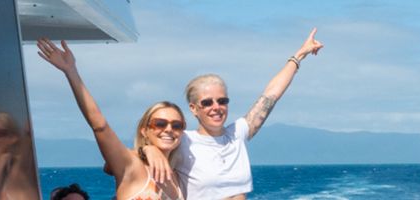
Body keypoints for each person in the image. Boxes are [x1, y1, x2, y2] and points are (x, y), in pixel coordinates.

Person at [142, 28, 324, 199]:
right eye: (207, 103)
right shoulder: (183, 141)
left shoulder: (237, 133)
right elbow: (119, 164)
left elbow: (271, 95)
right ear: (193, 108)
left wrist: (299, 55)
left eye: (222, 101)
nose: (216, 107)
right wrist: (148, 150)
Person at [37, 38, 186, 200]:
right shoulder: (131, 166)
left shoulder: (179, 178)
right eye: (160, 124)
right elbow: (99, 125)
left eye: (177, 125)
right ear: (144, 130)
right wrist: (71, 71)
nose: (169, 129)